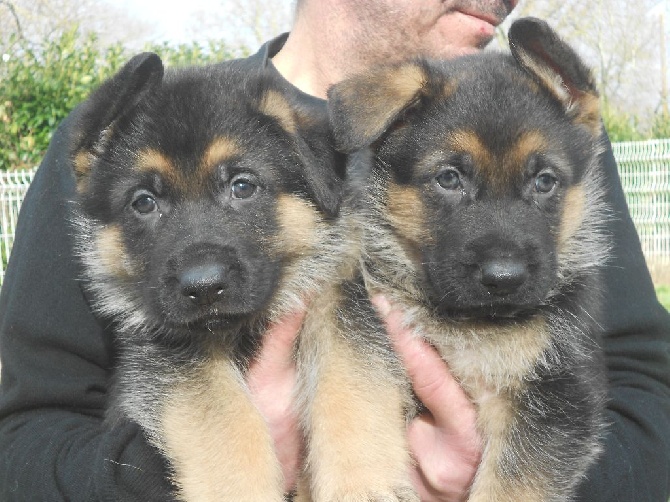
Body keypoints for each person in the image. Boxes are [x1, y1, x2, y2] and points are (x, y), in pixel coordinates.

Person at [0, 0, 668, 500]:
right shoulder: (123, 135)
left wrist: (498, 475)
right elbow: (23, 439)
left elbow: (649, 401)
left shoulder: (536, 126)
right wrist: (176, 474)